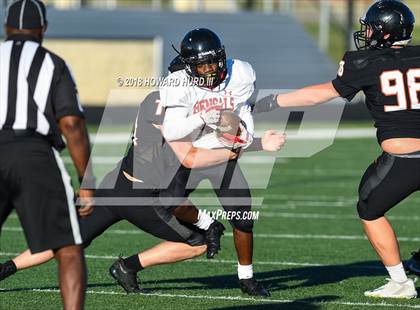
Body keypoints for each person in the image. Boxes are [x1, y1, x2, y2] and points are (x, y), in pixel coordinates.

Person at [0, 90, 285, 295]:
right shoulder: (173, 109)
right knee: (198, 243)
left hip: (115, 184)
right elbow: (199, 150)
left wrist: (247, 139)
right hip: (141, 197)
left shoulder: (160, 101)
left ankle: (5, 269)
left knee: (68, 237)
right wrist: (252, 144)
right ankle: (128, 266)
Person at [253, 0, 418, 299]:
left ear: (384, 33)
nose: (365, 33)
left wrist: (272, 102)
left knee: (369, 207)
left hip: (404, 158)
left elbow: (319, 95)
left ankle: (400, 282)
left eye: (370, 28)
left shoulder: (365, 63)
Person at [160, 28, 269, 297]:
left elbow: (244, 112)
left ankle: (247, 278)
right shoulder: (176, 83)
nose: (209, 70)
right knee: (169, 201)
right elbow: (172, 132)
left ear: (222, 57)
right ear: (188, 67)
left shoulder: (241, 73)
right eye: (201, 65)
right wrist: (203, 116)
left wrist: (242, 137)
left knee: (243, 218)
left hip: (222, 153)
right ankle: (209, 225)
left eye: (212, 62)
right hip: (194, 153)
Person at [0, 1, 95, 308]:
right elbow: (72, 123)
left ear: (6, 28)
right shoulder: (52, 63)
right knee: (67, 247)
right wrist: (87, 179)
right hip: (33, 153)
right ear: (43, 29)